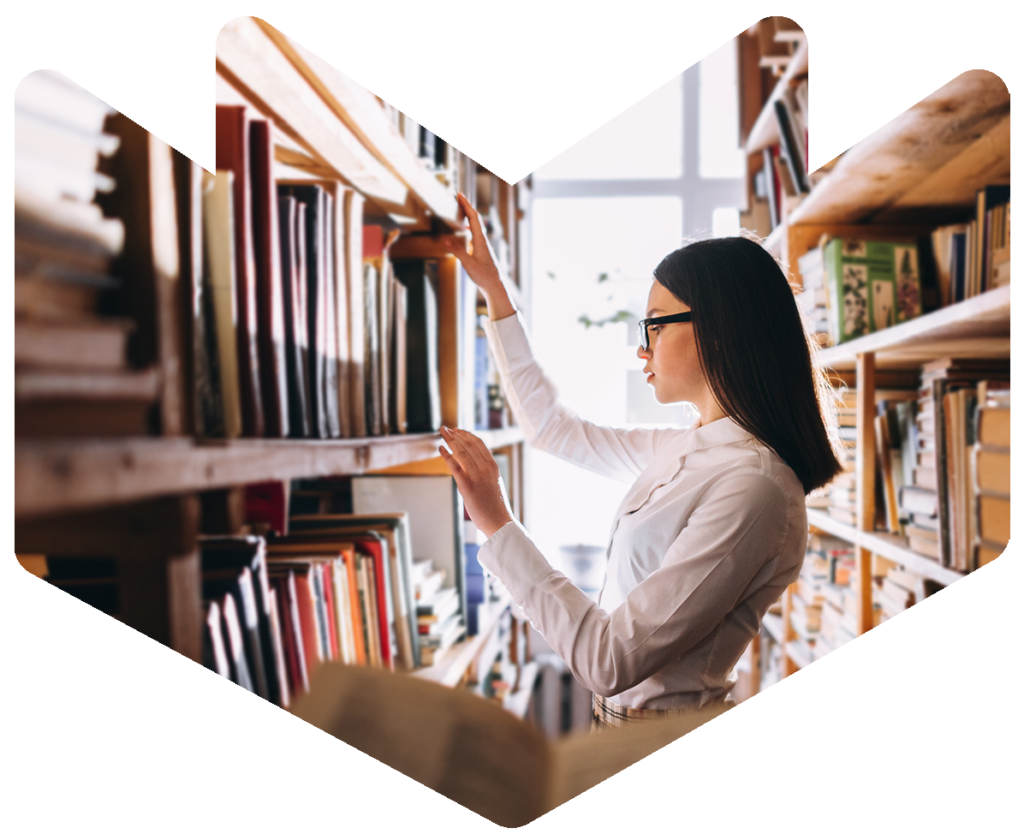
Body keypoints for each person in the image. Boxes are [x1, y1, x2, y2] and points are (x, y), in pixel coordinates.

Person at [437, 192, 845, 728]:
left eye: (655, 324)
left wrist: (495, 521)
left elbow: (609, 661)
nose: (642, 350)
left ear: (718, 330)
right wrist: (495, 290)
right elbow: (552, 429)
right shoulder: (693, 447)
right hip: (624, 731)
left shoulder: (754, 488)